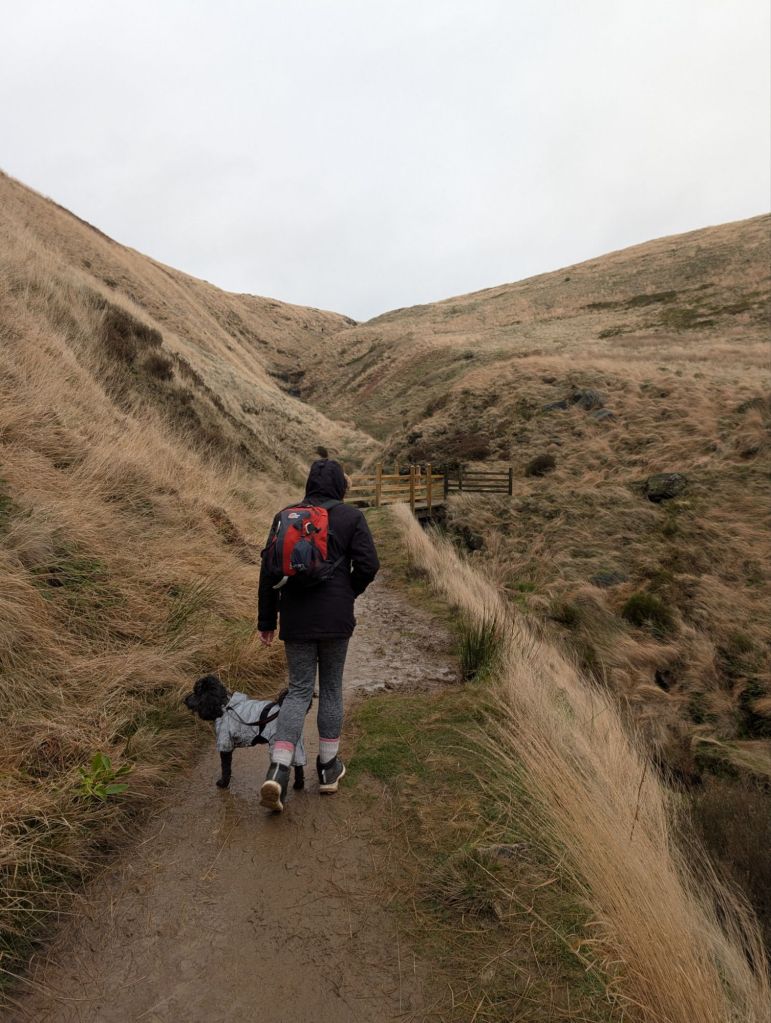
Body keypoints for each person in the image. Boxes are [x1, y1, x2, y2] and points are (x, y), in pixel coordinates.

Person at [256, 453, 380, 812]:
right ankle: (328, 769)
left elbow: (268, 572)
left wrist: (267, 621)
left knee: (298, 691)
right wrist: (348, 592)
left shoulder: (286, 516)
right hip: (336, 619)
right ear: (340, 485)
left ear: (310, 483)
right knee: (331, 689)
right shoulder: (351, 517)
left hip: (296, 619)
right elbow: (369, 565)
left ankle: (278, 771)